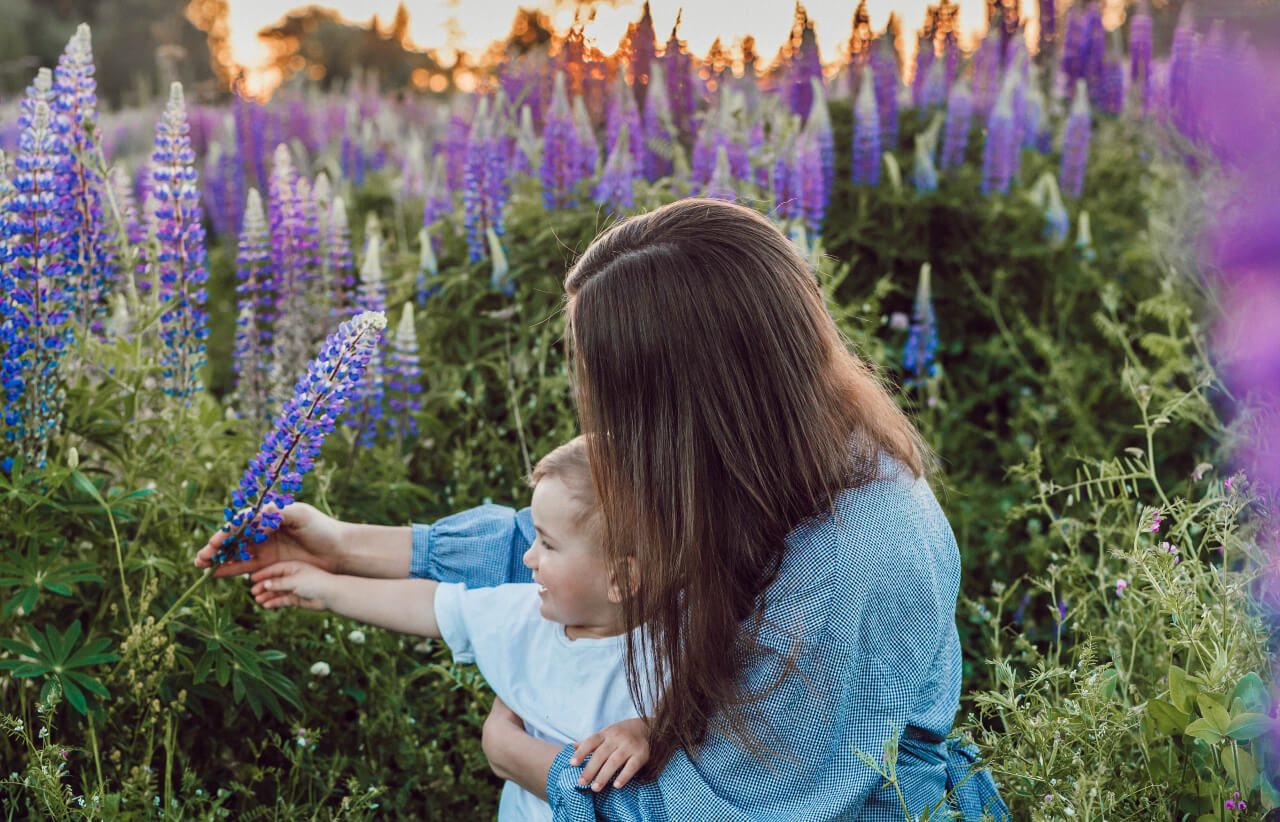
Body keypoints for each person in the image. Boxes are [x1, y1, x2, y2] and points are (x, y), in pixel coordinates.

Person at [198, 198, 1009, 820]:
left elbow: (717, 812)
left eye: (615, 393)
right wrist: (340, 546)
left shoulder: (854, 560)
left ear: (693, 398)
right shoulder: (767, 457)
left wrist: (526, 762)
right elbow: (565, 541)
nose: (600, 422)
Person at [224, 437, 653, 821]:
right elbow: (429, 604)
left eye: (548, 544)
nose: (529, 559)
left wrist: (647, 728)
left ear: (621, 580)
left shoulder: (675, 644)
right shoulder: (524, 614)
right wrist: (324, 587)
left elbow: (702, 720)